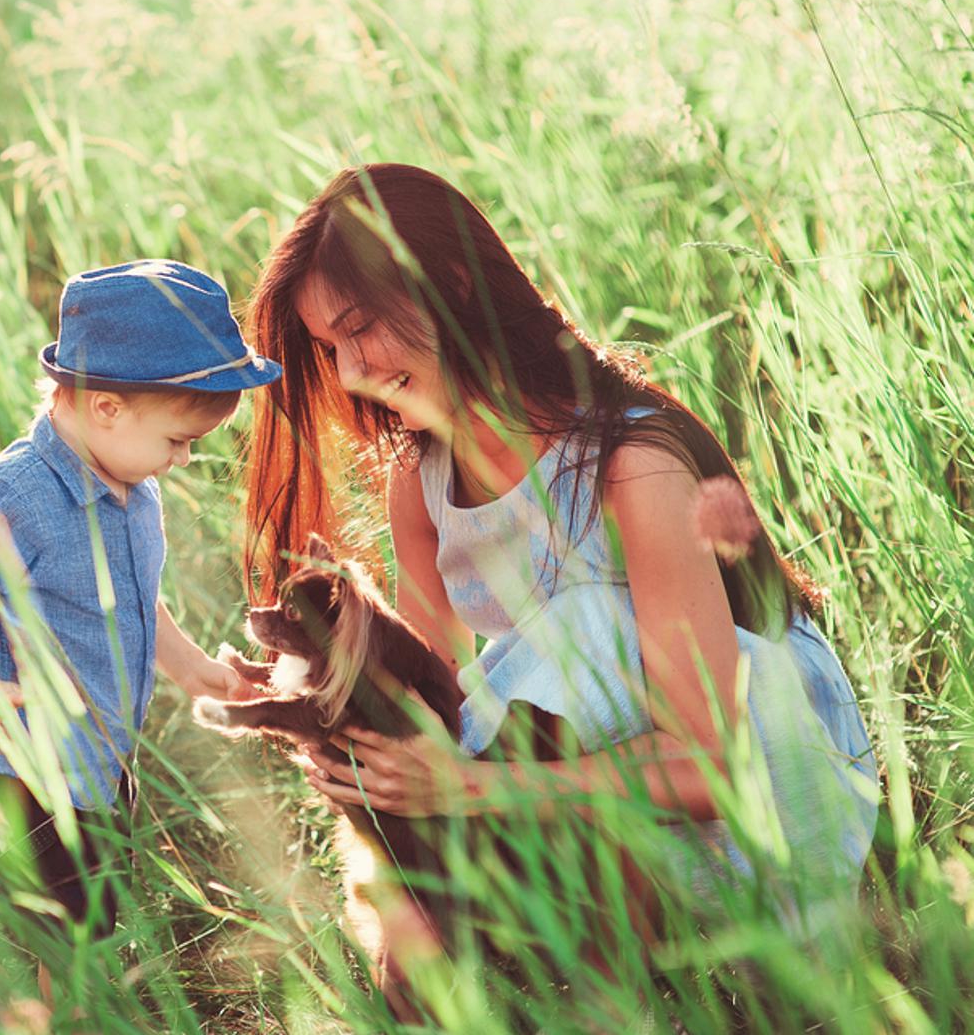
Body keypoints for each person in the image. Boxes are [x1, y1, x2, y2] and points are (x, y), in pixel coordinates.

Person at [232, 163, 878, 1016]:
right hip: (592, 776)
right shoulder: (419, 479)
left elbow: (711, 761)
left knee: (585, 630)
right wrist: (334, 706)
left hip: (769, 788)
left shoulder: (630, 464)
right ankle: (491, 966)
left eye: (359, 330)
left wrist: (474, 791)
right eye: (328, 347)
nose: (349, 370)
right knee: (437, 744)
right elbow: (448, 704)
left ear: (449, 283)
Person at [0, 259, 280, 1001]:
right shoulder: (11, 493)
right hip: (25, 759)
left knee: (94, 902)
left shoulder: (133, 489)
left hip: (96, 753)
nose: (182, 461)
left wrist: (192, 671)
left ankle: (61, 1001)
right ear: (107, 408)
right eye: (178, 441)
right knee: (74, 919)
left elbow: (137, 604)